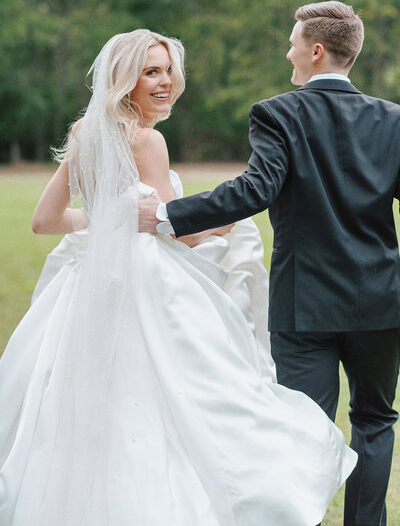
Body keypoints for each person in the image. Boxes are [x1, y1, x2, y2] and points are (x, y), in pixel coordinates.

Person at [0, 29, 356, 526]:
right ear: (124, 80)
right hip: (149, 285)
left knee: (98, 404)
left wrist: (108, 217)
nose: (164, 81)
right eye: (151, 72)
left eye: (167, 70)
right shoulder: (148, 140)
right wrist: (230, 221)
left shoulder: (86, 134)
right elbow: (179, 232)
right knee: (188, 398)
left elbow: (46, 221)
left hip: (87, 292)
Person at [139, 1, 400, 526]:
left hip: (305, 302)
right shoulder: (393, 120)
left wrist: (168, 214)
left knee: (297, 428)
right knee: (375, 422)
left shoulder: (277, 112)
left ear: (316, 49)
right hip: (381, 299)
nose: (289, 50)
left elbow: (255, 190)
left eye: (293, 40)